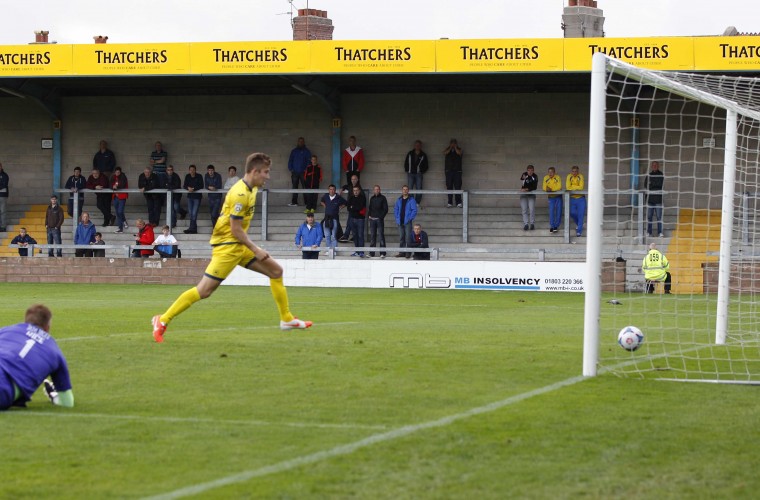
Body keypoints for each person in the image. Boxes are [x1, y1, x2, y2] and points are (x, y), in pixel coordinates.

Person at [152, 152, 312, 343]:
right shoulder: (240, 193)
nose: (268, 176)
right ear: (254, 171)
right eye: (266, 172)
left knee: (276, 271)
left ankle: (286, 319)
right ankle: (162, 320)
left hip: (239, 245)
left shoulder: (252, 189)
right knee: (204, 291)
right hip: (227, 246)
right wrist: (256, 249)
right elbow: (236, 230)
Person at [0, 304, 74, 410]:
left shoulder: (6, 330)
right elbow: (67, 403)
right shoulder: (55, 351)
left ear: (26, 321)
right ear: (47, 328)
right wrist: (54, 395)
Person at [394, 185, 418, 258]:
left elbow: (414, 210)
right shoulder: (399, 200)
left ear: (408, 191)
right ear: (402, 190)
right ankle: (402, 252)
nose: (405, 191)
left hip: (407, 222)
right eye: (403, 189)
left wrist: (409, 218)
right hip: (400, 222)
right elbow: (396, 209)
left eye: (406, 189)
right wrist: (397, 217)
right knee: (401, 238)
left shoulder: (411, 200)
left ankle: (408, 253)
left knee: (408, 238)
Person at [321, 184, 347, 250]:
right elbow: (321, 201)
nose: (332, 191)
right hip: (326, 219)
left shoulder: (338, 197)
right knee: (327, 236)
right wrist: (325, 206)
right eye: (330, 189)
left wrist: (340, 207)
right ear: (328, 190)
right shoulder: (326, 196)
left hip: (335, 219)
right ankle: (328, 250)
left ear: (335, 190)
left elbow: (346, 203)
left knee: (333, 236)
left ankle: (334, 250)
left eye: (333, 189)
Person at [403, 140, 428, 206]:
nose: (417, 146)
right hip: (410, 173)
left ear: (420, 146)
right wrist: (407, 170)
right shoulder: (410, 153)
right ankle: (411, 202)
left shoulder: (423, 155)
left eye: (419, 145)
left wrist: (421, 171)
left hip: (418, 174)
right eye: (416, 145)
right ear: (414, 146)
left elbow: (426, 165)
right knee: (410, 188)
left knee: (419, 188)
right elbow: (406, 162)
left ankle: (417, 202)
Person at [287, 137, 311, 206]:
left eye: (302, 141)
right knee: (294, 187)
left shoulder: (307, 151)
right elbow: (290, 160)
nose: (300, 143)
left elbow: (309, 162)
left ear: (304, 142)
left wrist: (305, 170)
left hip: (304, 173)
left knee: (305, 187)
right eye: (299, 141)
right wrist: (291, 169)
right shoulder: (294, 151)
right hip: (295, 172)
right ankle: (294, 202)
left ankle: (306, 203)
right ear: (297, 142)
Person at [339, 173, 361, 243]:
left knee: (350, 222)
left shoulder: (359, 188)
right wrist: (342, 189)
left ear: (357, 180)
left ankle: (346, 236)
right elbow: (345, 186)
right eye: (352, 179)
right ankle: (354, 236)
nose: (353, 180)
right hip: (350, 208)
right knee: (350, 223)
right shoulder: (350, 186)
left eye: (355, 179)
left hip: (356, 209)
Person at [645, 160, 665, 237]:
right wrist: (652, 185)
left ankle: (660, 232)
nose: (654, 166)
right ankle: (649, 232)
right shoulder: (649, 175)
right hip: (650, 199)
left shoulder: (661, 174)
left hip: (658, 199)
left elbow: (660, 185)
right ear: (651, 166)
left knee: (659, 217)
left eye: (656, 165)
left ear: (658, 166)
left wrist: (651, 184)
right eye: (653, 165)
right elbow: (646, 185)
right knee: (649, 217)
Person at [347, 185, 368, 258]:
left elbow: (360, 207)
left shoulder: (362, 198)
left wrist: (353, 207)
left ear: (359, 191)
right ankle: (357, 251)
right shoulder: (351, 198)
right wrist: (355, 208)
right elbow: (348, 208)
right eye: (354, 190)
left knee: (360, 235)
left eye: (357, 190)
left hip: (360, 219)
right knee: (355, 236)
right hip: (352, 219)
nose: (355, 192)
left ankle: (361, 251)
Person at [368, 184, 388, 258]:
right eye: (375, 189)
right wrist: (369, 215)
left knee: (381, 236)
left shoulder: (383, 198)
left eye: (378, 189)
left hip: (379, 220)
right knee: (373, 236)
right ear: (373, 190)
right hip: (372, 220)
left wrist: (380, 217)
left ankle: (382, 253)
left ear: (380, 190)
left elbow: (385, 209)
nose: (376, 190)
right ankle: (371, 253)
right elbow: (370, 208)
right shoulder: (372, 198)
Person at [183, 164, 204, 234]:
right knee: (191, 213)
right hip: (190, 197)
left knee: (194, 213)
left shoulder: (199, 176)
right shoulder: (187, 176)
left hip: (197, 197)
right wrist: (188, 188)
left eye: (193, 170)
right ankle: (193, 229)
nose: (192, 171)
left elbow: (201, 185)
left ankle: (191, 228)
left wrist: (193, 189)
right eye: (190, 170)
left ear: (195, 170)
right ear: (189, 170)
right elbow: (184, 185)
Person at [566, 165, 586, 237]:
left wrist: (572, 187)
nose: (574, 173)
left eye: (576, 171)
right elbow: (568, 187)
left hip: (581, 198)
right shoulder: (569, 176)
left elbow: (581, 187)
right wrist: (575, 188)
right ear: (571, 171)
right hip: (572, 198)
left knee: (581, 215)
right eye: (573, 171)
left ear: (578, 171)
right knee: (572, 213)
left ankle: (579, 231)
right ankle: (579, 224)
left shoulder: (581, 176)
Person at [443, 138, 463, 208]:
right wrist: (450, 147)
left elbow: (459, 153)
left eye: (454, 143)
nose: (453, 144)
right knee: (449, 187)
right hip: (449, 171)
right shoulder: (448, 149)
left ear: (456, 144)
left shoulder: (459, 149)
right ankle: (450, 202)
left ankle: (458, 202)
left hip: (457, 171)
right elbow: (445, 153)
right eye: (452, 143)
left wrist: (455, 147)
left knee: (458, 186)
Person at [165, 165, 187, 229]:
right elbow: (163, 184)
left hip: (177, 195)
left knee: (176, 207)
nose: (170, 171)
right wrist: (169, 186)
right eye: (168, 170)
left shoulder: (176, 176)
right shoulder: (164, 176)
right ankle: (173, 223)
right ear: (166, 170)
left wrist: (169, 186)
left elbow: (177, 185)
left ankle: (183, 212)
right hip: (169, 195)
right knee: (171, 210)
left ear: (173, 170)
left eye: (171, 169)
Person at [543, 167, 562, 233]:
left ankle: (556, 226)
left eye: (552, 172)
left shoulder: (557, 177)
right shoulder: (546, 178)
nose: (550, 173)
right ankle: (552, 226)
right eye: (549, 172)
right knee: (551, 211)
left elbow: (559, 187)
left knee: (558, 211)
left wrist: (550, 189)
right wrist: (547, 189)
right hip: (551, 197)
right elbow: (544, 187)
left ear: (554, 172)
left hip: (558, 197)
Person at [110, 166, 129, 233]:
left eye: (118, 172)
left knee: (120, 211)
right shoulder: (113, 177)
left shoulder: (123, 177)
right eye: (116, 172)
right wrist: (112, 186)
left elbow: (123, 184)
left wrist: (116, 186)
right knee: (117, 212)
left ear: (120, 172)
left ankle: (124, 221)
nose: (117, 173)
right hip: (115, 196)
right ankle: (120, 228)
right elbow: (110, 184)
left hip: (122, 196)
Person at [520, 164, 538, 231]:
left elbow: (534, 187)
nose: (530, 172)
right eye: (528, 170)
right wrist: (523, 189)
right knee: (524, 209)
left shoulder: (535, 176)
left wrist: (527, 189)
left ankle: (532, 223)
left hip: (531, 194)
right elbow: (523, 181)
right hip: (524, 194)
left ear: (533, 171)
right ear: (527, 170)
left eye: (531, 170)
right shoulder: (524, 174)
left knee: (531, 209)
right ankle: (526, 224)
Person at [0, 162, 7, 232]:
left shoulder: (4, 175)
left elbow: (4, 184)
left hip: (2, 196)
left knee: (2, 211)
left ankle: (3, 226)